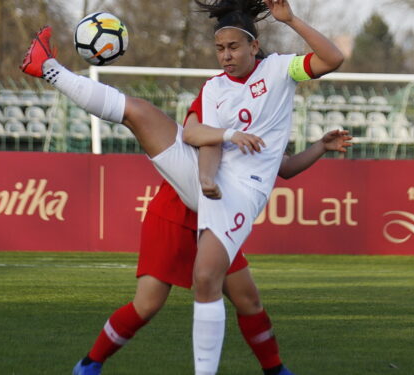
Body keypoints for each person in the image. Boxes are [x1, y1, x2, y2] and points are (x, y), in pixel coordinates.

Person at [20, 0, 343, 373]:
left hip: (232, 193)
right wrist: (213, 164)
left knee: (243, 297)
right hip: (196, 191)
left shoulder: (280, 70)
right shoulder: (214, 89)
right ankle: (47, 67)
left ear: (254, 46)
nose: (225, 55)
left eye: (233, 47)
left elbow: (331, 60)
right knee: (138, 113)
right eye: (220, 49)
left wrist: (290, 21)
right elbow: (195, 135)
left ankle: (275, 370)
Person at [71, 129, 352, 375]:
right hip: (174, 216)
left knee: (249, 301)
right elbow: (195, 136)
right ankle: (89, 364)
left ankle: (275, 369)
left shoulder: (263, 115)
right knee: (147, 304)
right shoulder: (219, 98)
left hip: (218, 220)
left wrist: (320, 147)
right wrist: (224, 137)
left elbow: (285, 166)